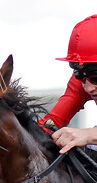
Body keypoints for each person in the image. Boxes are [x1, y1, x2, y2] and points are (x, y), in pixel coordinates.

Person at [40, 15, 97, 153]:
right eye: (80, 76)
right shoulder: (83, 81)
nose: (88, 88)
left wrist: (89, 134)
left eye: (96, 78)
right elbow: (48, 125)